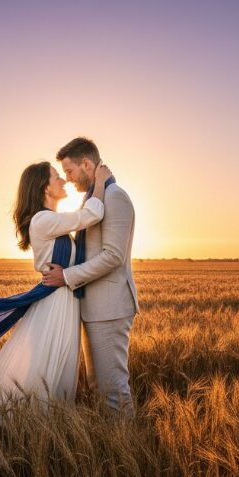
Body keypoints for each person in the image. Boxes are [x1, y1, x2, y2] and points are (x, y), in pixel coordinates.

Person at [0, 160, 112, 407]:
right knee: (45, 365)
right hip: (55, 303)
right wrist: (99, 182)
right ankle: (25, 421)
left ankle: (42, 424)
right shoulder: (42, 220)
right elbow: (92, 214)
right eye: (56, 177)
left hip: (64, 300)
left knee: (55, 365)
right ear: (45, 188)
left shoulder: (53, 220)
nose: (63, 180)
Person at [42, 137, 139, 417]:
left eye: (70, 171)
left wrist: (67, 276)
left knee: (114, 389)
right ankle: (113, 448)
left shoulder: (115, 196)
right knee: (98, 386)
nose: (68, 179)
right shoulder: (94, 198)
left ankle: (127, 451)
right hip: (92, 307)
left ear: (86, 164)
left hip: (110, 308)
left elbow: (113, 256)